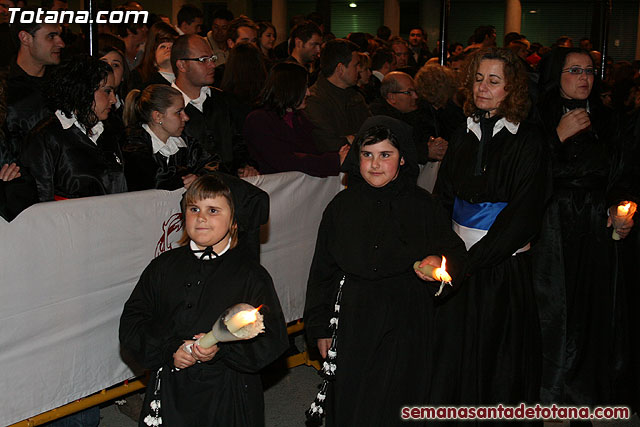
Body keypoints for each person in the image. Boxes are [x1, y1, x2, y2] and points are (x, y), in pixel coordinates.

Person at [304, 116, 467, 426]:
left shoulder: (423, 205)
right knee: (355, 394)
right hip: (355, 314)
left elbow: (455, 254)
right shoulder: (340, 207)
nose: (375, 164)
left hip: (406, 313)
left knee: (398, 395)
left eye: (385, 155)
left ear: (403, 158)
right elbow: (322, 270)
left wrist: (437, 261)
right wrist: (319, 326)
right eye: (367, 154)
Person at [120, 174, 289, 427]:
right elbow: (133, 322)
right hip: (171, 388)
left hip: (226, 392)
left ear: (233, 219)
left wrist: (222, 350)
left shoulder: (250, 276)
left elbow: (272, 339)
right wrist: (169, 349)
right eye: (194, 208)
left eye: (213, 210)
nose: (201, 217)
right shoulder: (163, 267)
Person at [433, 47, 548, 406]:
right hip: (457, 260)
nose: (483, 87)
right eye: (478, 79)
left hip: (502, 265)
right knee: (455, 349)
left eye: (494, 81)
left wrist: (473, 261)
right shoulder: (462, 132)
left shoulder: (529, 140)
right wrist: (444, 249)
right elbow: (443, 196)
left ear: (512, 88)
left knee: (498, 354)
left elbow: (523, 216)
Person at [534, 47, 635, 407]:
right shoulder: (537, 116)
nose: (584, 78)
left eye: (590, 71)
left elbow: (623, 175)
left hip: (594, 222)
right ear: (555, 75)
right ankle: (548, 390)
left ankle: (586, 391)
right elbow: (522, 175)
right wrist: (555, 138)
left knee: (592, 307)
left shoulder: (610, 120)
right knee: (552, 305)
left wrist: (620, 208)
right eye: (574, 70)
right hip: (550, 222)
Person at [21, 54, 127, 201]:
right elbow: (40, 198)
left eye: (114, 92)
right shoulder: (46, 136)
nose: (114, 99)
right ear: (84, 89)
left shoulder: (109, 132)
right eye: (107, 91)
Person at [170, 34, 257, 177]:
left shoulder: (224, 100)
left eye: (212, 59)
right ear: (182, 65)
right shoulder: (164, 106)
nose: (212, 65)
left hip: (229, 187)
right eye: (204, 60)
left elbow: (238, 143)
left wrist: (245, 165)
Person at [243, 62, 348, 177]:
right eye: (304, 87)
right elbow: (286, 161)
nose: (308, 93)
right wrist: (335, 160)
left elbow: (313, 152)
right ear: (290, 89)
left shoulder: (299, 118)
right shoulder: (259, 120)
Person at [122, 84, 216, 191]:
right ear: (158, 117)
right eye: (178, 112)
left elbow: (213, 164)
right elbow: (155, 180)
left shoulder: (185, 142)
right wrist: (188, 176)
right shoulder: (133, 145)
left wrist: (199, 177)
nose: (186, 117)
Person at [3, 9, 64, 166]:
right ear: (25, 38)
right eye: (51, 36)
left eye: (59, 35)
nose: (61, 43)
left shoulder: (63, 84)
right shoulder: (4, 88)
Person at [304, 39, 370, 152]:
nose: (359, 69)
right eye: (356, 65)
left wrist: (351, 139)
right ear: (340, 69)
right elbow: (328, 144)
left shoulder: (356, 96)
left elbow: (373, 132)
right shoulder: (314, 100)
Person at [136, 21, 179, 88]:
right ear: (153, 50)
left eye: (172, 46)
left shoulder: (186, 77)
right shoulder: (139, 77)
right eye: (163, 46)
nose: (168, 48)